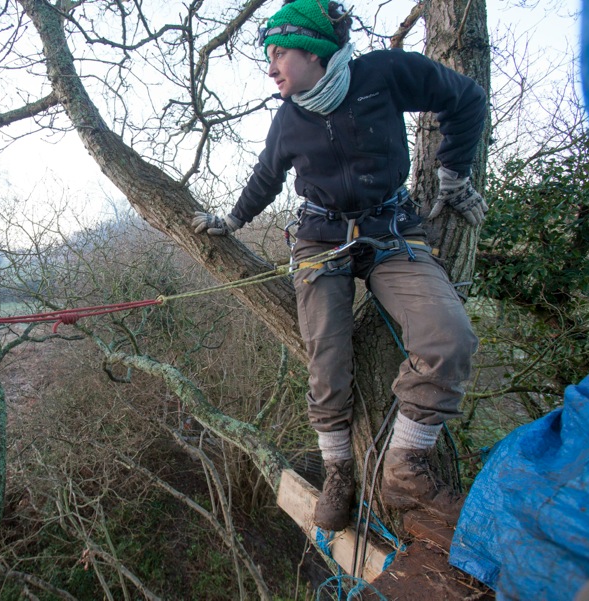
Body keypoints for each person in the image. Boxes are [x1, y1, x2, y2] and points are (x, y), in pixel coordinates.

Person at [192, 0, 487, 531]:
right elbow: (266, 178)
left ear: (314, 50)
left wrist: (453, 176)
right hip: (320, 239)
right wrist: (232, 220)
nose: (270, 66)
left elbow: (465, 99)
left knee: (449, 339)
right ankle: (339, 471)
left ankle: (405, 466)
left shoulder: (384, 74)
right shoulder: (289, 119)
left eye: (279, 52)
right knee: (327, 358)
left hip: (391, 230)